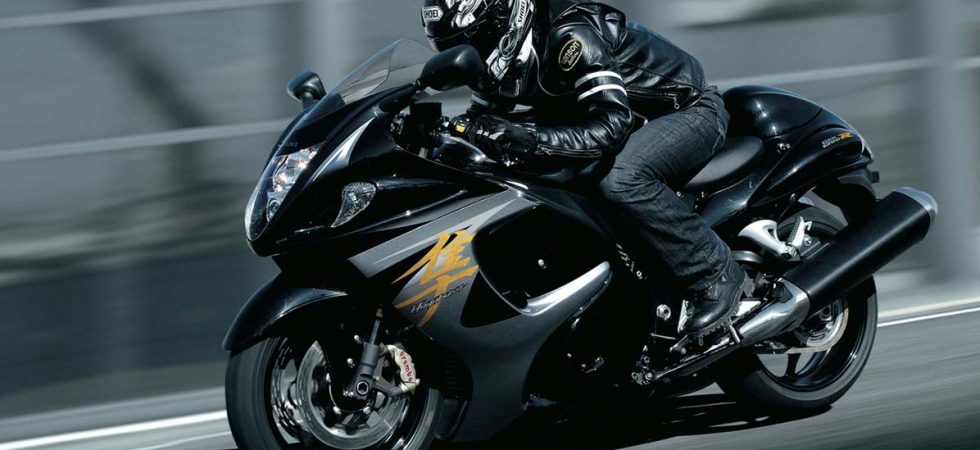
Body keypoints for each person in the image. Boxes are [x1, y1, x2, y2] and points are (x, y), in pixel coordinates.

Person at [420, 0, 749, 339]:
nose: (468, 56)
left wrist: (530, 139)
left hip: (684, 111)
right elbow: (481, 119)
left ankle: (715, 273)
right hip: (621, 121)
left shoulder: (570, 35)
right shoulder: (499, 57)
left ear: (505, 17)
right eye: (453, 48)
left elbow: (612, 125)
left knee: (621, 178)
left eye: (472, 43)